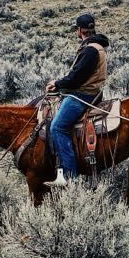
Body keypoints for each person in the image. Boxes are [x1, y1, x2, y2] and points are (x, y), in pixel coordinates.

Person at [44, 13, 110, 187]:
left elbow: (76, 78)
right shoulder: (97, 46)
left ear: (79, 30)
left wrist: (57, 84)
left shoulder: (90, 49)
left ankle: (68, 176)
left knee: (57, 127)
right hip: (91, 92)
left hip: (82, 95)